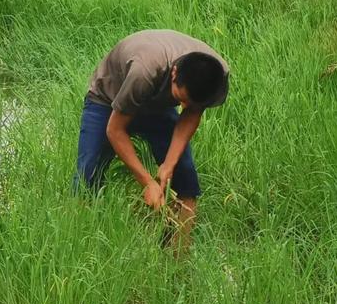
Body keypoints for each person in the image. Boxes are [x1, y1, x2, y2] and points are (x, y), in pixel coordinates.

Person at [74, 29, 230, 255]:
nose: (185, 105)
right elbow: (115, 130)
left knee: (185, 175)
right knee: (87, 176)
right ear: (174, 73)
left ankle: (178, 260)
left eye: (190, 103)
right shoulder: (145, 70)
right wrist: (148, 181)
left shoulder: (217, 76)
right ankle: (79, 252)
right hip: (107, 100)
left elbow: (192, 114)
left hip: (157, 105)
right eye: (181, 99)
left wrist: (168, 164)